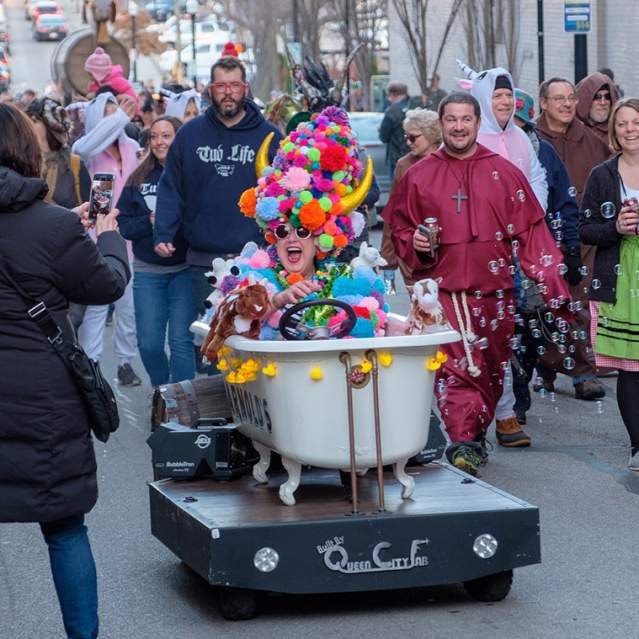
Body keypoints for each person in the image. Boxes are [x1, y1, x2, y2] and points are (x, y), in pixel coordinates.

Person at [384, 92, 572, 476]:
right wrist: (415, 244)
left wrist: (553, 285)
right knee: (456, 371)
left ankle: (474, 434)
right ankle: (463, 442)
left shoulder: (503, 172)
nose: (458, 126)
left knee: (488, 371)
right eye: (451, 119)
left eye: (465, 119)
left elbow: (532, 232)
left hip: (494, 293)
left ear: (476, 123)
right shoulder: (419, 175)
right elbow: (399, 229)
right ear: (441, 123)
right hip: (442, 294)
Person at [0, 103, 130, 638]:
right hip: (43, 402)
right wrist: (106, 235)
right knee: (64, 529)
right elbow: (105, 284)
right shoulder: (54, 226)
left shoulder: (55, 227)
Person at [207, 105, 386, 350]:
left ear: (319, 239)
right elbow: (220, 321)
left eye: (302, 231)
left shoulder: (343, 278)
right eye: (282, 231)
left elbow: (376, 328)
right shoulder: (254, 278)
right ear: (273, 236)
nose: (291, 238)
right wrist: (276, 300)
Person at [154, 55, 282, 326]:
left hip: (257, 259)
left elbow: (284, 193)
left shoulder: (269, 137)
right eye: (220, 86)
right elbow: (171, 187)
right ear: (210, 89)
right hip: (204, 260)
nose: (228, 92)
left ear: (245, 89)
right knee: (212, 336)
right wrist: (164, 231)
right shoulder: (190, 135)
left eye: (234, 85)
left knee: (256, 332)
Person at [511, 88, 585, 425]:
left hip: (535, 255)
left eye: (521, 124)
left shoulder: (544, 154)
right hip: (496, 254)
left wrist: (569, 250)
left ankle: (520, 394)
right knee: (502, 330)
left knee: (530, 326)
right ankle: (507, 398)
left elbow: (565, 204)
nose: (516, 130)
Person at [535, 77, 609, 399]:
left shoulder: (592, 142)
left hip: (585, 239)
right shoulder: (529, 140)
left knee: (579, 304)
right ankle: (546, 367)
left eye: (571, 98)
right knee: (545, 307)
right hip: (542, 239)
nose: (567, 104)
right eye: (558, 98)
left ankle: (583, 373)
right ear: (543, 103)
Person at [581, 98, 639, 471]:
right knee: (631, 367)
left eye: (636, 122)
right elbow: (586, 229)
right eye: (622, 124)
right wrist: (615, 228)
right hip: (619, 276)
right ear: (614, 131)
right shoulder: (603, 175)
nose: (630, 129)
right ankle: (638, 446)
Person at [118, 116, 195, 387]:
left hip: (184, 270)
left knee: (181, 342)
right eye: (154, 136)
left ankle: (184, 406)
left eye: (166, 135)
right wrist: (149, 222)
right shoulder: (138, 178)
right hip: (148, 272)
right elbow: (123, 224)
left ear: (179, 139)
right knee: (149, 344)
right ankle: (163, 394)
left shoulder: (191, 176)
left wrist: (172, 221)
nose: (160, 142)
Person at [73, 92, 143, 386]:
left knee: (128, 306)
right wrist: (119, 119)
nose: (115, 122)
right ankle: (92, 363)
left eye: (118, 115)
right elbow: (88, 143)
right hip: (96, 236)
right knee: (97, 305)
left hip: (129, 236)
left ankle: (126, 363)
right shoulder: (87, 149)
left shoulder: (133, 148)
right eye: (108, 116)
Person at [381, 108, 442, 289]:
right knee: (421, 310)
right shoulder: (403, 165)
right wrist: (389, 261)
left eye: (413, 137)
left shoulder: (450, 161)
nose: (408, 142)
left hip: (447, 253)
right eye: (406, 137)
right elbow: (392, 215)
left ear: (431, 134)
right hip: (413, 253)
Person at [25, 97, 91, 209]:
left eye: (34, 121)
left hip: (66, 225)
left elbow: (87, 208)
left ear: (51, 125)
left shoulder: (75, 164)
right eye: (27, 121)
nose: (28, 126)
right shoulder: (21, 162)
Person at [576, 71, 620, 143]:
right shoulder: (571, 132)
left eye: (607, 96)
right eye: (597, 97)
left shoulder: (620, 133)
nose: (603, 103)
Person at [379, 81, 409, 177]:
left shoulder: (392, 111)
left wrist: (380, 130)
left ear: (392, 95)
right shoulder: (415, 106)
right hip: (418, 156)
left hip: (397, 157)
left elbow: (383, 137)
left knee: (397, 189)